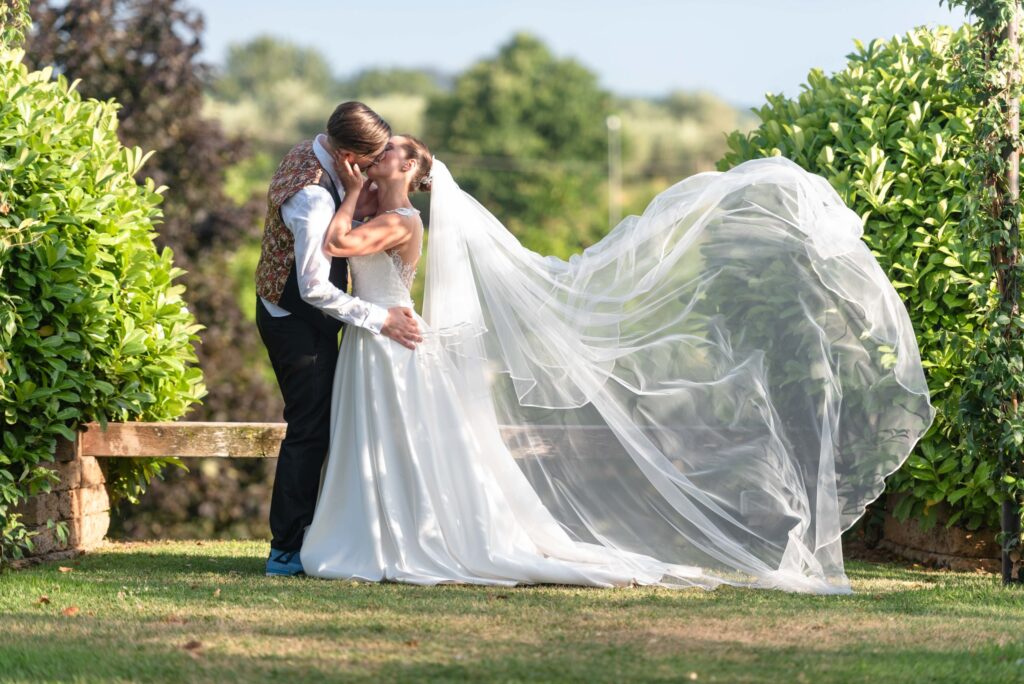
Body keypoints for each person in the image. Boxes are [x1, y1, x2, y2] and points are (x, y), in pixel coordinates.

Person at [299, 135, 935, 593]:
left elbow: (335, 244)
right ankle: (379, 533)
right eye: (376, 153)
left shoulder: (400, 217)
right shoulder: (392, 213)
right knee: (379, 440)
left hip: (390, 338)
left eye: (388, 153)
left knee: (395, 439)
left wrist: (349, 192)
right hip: (376, 338)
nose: (375, 156)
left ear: (409, 169)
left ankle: (400, 540)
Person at [254, 103, 422, 577]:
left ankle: (338, 533)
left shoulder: (318, 148)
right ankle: (285, 549)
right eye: (370, 161)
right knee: (310, 429)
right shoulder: (312, 197)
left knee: (341, 425)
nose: (370, 173)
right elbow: (313, 286)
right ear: (348, 153)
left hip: (321, 316)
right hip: (295, 317)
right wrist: (379, 319)